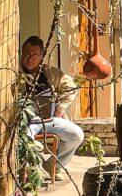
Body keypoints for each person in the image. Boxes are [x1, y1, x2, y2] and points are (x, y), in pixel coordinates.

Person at [20, 35, 84, 179]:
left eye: (34, 54)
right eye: (27, 54)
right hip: (27, 122)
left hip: (49, 119)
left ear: (41, 56)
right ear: (21, 53)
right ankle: (33, 172)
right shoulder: (15, 73)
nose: (30, 58)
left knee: (76, 135)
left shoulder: (50, 73)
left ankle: (52, 166)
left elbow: (71, 86)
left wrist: (60, 109)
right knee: (27, 141)